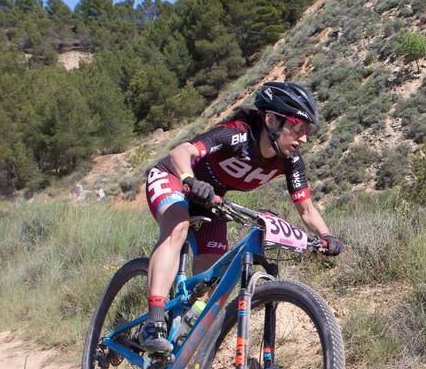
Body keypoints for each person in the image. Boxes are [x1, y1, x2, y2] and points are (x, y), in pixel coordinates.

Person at [140, 81, 342, 352]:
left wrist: (325, 237)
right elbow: (180, 152)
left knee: (211, 276)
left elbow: (306, 209)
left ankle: (179, 341)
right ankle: (153, 320)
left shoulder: (289, 161)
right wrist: (189, 178)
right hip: (173, 177)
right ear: (271, 119)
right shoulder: (237, 134)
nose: (303, 137)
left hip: (211, 198)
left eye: (307, 130)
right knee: (177, 228)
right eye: (297, 127)